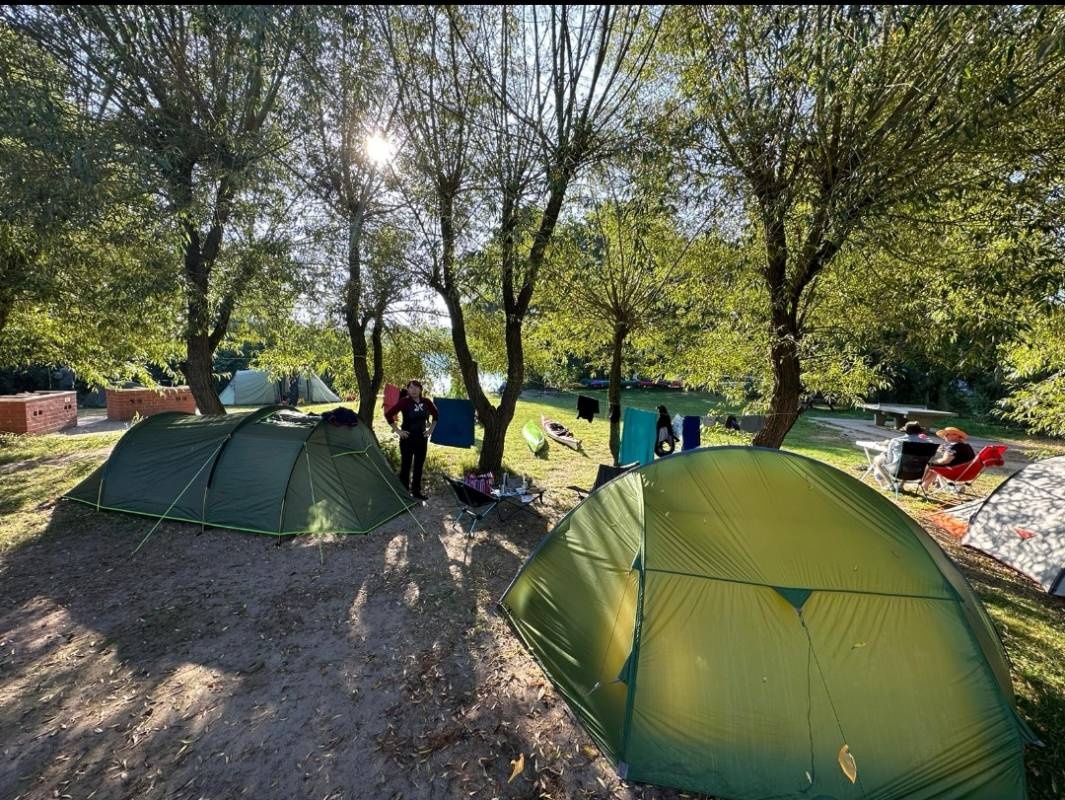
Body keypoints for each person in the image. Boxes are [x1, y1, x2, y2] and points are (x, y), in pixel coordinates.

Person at [384, 380, 439, 501]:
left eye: (416, 387)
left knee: (419, 466)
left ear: (420, 389)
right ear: (408, 390)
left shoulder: (426, 402)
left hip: (422, 439)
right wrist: (398, 430)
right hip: (407, 439)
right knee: (406, 466)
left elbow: (436, 415)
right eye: (411, 388)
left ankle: (416, 492)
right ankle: (404, 493)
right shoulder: (404, 402)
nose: (414, 390)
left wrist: (431, 430)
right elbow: (389, 414)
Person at [871, 421, 927, 486]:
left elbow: (890, 459)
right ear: (919, 431)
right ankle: (901, 485)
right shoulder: (924, 443)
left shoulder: (896, 441)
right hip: (917, 470)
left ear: (906, 431)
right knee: (910, 461)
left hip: (896, 469)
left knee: (877, 460)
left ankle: (890, 484)